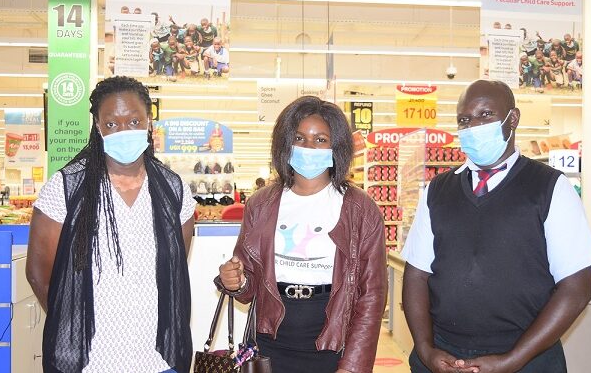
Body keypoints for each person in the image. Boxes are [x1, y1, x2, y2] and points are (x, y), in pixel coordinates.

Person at [402, 79, 591, 373]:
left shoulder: (550, 187)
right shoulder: (438, 190)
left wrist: (514, 359)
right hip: (443, 353)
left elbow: (576, 289)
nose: (473, 126)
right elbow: (416, 275)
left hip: (527, 356)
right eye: (464, 120)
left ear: (513, 118)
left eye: (486, 115)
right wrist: (425, 348)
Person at [26, 76, 196, 372]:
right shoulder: (67, 187)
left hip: (157, 359)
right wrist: (72, 323)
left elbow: (176, 263)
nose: (123, 131)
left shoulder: (173, 189)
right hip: (90, 360)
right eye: (111, 124)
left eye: (133, 122)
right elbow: (38, 273)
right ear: (97, 127)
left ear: (149, 122)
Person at [216, 96, 387, 373]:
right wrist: (233, 280)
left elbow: (372, 295)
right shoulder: (261, 204)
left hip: (332, 344)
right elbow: (248, 287)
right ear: (286, 144)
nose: (309, 147)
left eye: (320, 139)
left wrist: (353, 365)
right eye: (300, 138)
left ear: (336, 147)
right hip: (270, 344)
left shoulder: (359, 209)